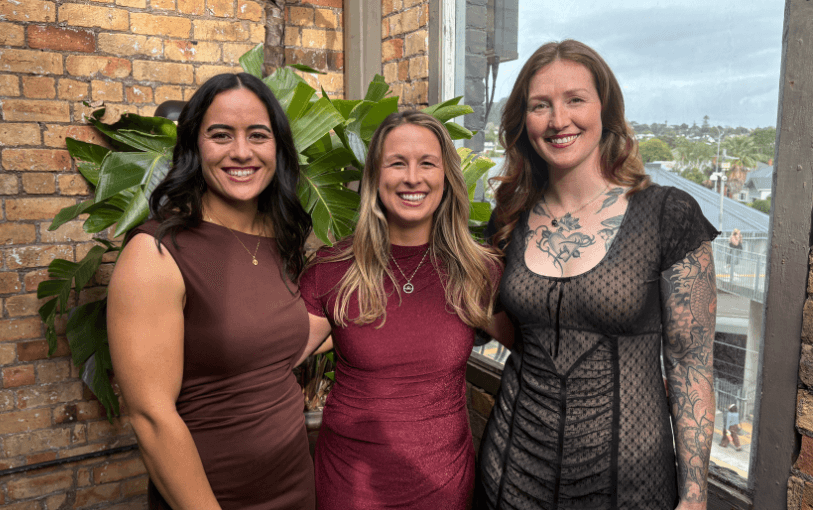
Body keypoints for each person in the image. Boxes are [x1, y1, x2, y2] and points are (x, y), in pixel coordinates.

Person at [475, 40, 717, 510]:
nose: (558, 120)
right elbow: (510, 328)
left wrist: (694, 495)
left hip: (632, 485)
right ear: (524, 121)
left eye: (575, 99)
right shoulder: (509, 218)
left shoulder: (667, 214)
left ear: (605, 109)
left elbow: (691, 363)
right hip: (512, 473)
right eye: (540, 105)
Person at [107, 73, 315, 510]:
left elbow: (268, 343)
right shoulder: (155, 253)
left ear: (277, 147)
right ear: (194, 146)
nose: (241, 151)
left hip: (297, 487)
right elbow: (152, 419)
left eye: (257, 135)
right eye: (221, 135)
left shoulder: (280, 237)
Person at [297, 111, 510, 509]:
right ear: (375, 178)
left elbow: (544, 353)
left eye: (427, 163)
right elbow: (265, 362)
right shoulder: (333, 269)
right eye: (397, 163)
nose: (413, 178)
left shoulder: (478, 272)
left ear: (446, 177)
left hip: (444, 488)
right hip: (349, 490)